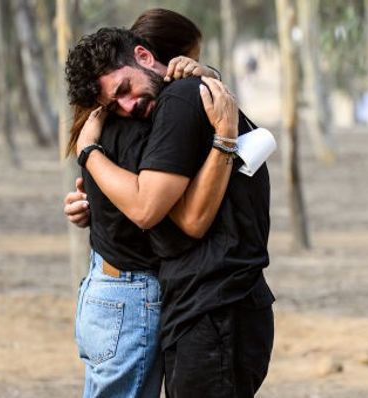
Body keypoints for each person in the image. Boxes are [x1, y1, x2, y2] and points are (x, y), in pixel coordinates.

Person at [65, 25, 274, 398]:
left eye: (126, 90)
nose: (128, 106)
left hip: (199, 302)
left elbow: (157, 211)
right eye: (116, 103)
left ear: (147, 55)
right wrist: (88, 155)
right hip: (180, 302)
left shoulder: (179, 103)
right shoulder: (162, 112)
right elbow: (157, 211)